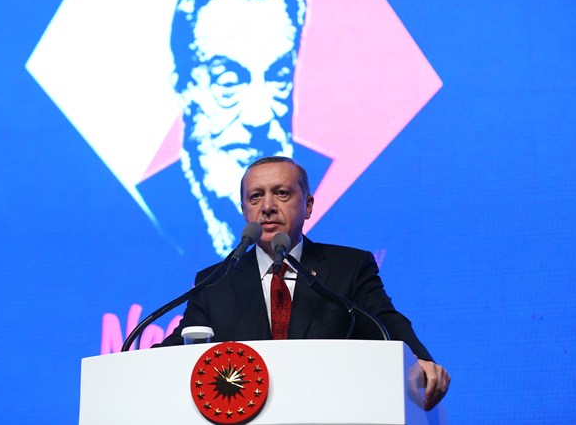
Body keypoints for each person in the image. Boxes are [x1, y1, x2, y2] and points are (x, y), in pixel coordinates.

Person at [160, 156, 451, 411]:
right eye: (256, 197)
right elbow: (181, 344)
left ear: (308, 205)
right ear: (245, 211)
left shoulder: (349, 268)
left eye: (282, 193)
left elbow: (385, 321)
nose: (267, 207)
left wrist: (419, 359)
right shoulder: (216, 280)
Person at [138, 0, 329, 262]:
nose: (258, 115)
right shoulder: (147, 211)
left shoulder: (332, 183)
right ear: (184, 87)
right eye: (228, 82)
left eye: (278, 77)